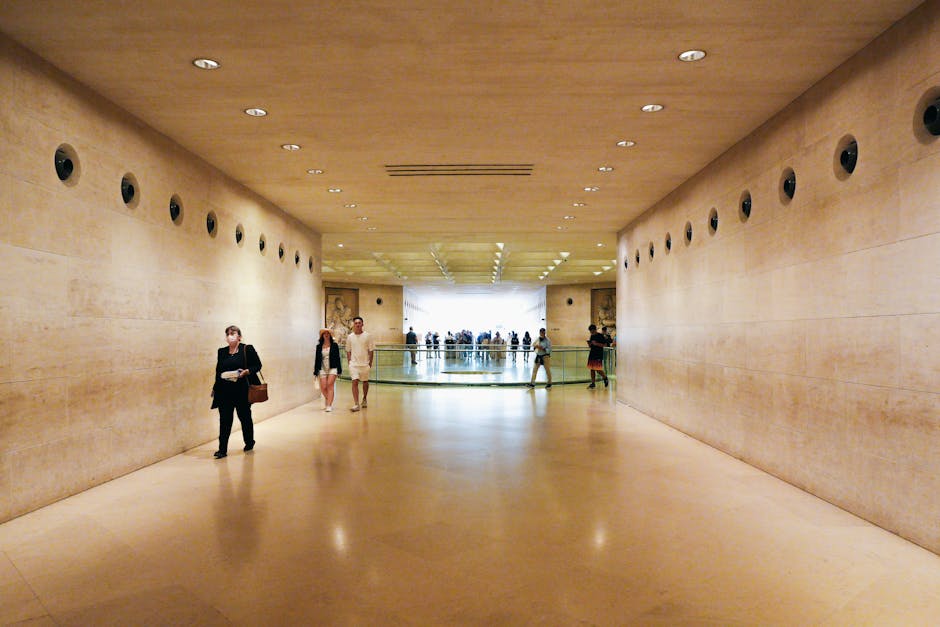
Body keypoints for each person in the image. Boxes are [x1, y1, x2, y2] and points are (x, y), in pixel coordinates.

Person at [211, 325, 261, 459]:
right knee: (225, 420)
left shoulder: (247, 349)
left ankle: (249, 442)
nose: (229, 336)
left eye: (232, 333)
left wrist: (247, 372)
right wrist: (215, 387)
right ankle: (222, 450)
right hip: (225, 391)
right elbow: (218, 371)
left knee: (244, 417)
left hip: (242, 391)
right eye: (227, 334)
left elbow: (257, 365)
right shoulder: (221, 352)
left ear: (239, 336)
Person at [346, 316, 375, 411]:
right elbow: (348, 350)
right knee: (354, 381)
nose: (357, 324)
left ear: (362, 324)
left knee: (365, 382)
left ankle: (364, 398)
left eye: (359, 323)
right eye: (356, 323)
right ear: (353, 325)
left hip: (365, 364)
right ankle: (356, 404)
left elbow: (371, 350)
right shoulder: (350, 337)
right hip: (354, 365)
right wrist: (349, 362)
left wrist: (370, 363)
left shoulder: (368, 336)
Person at [313, 328, 342, 412]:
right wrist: (315, 371)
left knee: (330, 385)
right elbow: (317, 359)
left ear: (330, 335)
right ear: (322, 336)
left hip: (333, 367)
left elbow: (338, 358)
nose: (326, 335)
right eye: (324, 333)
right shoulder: (319, 346)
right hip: (322, 368)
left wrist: (339, 370)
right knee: (323, 387)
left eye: (328, 333)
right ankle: (329, 398)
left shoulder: (334, 345)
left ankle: (329, 405)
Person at [587, 324, 610, 389]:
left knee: (597, 369)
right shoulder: (592, 336)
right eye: (590, 331)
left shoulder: (600, 336)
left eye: (592, 331)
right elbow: (591, 346)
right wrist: (590, 344)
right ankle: (593, 383)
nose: (591, 332)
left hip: (598, 354)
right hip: (592, 353)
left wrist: (596, 344)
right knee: (592, 369)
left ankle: (605, 377)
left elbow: (605, 345)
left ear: (595, 330)